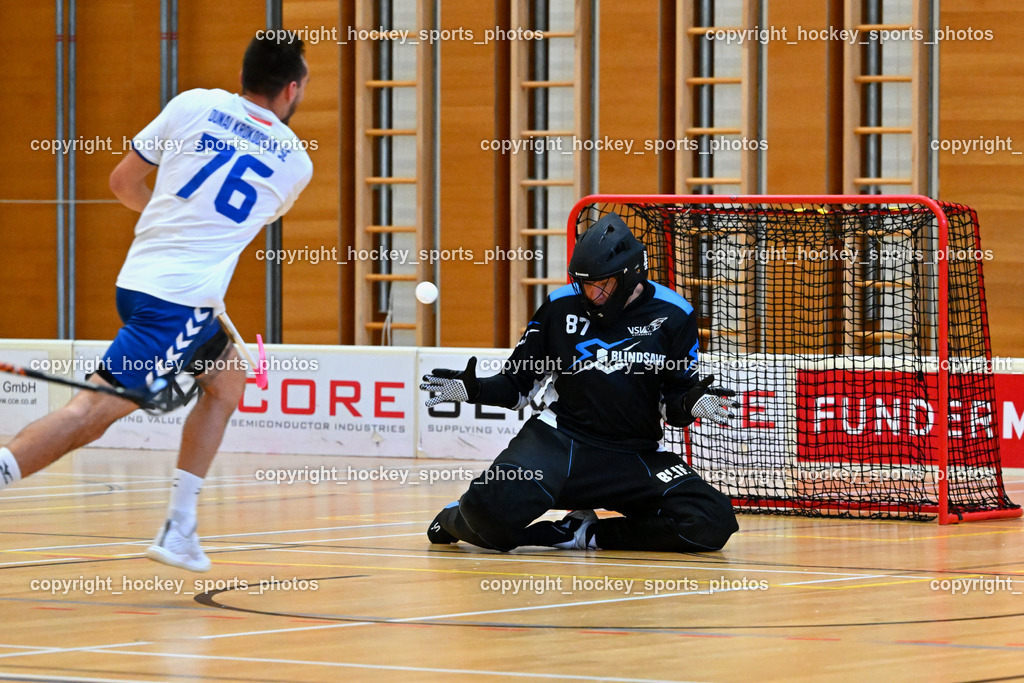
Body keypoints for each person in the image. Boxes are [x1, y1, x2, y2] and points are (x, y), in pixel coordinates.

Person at [0, 33, 313, 572]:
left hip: (140, 282)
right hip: (178, 305)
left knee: (227, 380)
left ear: (244, 75)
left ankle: (180, 528)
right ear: (291, 89)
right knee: (89, 416)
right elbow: (225, 222)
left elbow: (123, 182)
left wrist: (167, 221)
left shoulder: (192, 103)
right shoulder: (295, 164)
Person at [420, 212, 739, 552]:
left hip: (634, 455)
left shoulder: (674, 314)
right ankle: (455, 516)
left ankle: (583, 534)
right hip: (558, 444)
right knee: (485, 515)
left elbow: (672, 405)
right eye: (585, 284)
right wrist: (474, 390)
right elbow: (517, 385)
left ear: (630, 275)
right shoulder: (560, 307)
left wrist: (691, 403)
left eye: (603, 284)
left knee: (712, 521)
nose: (592, 295)